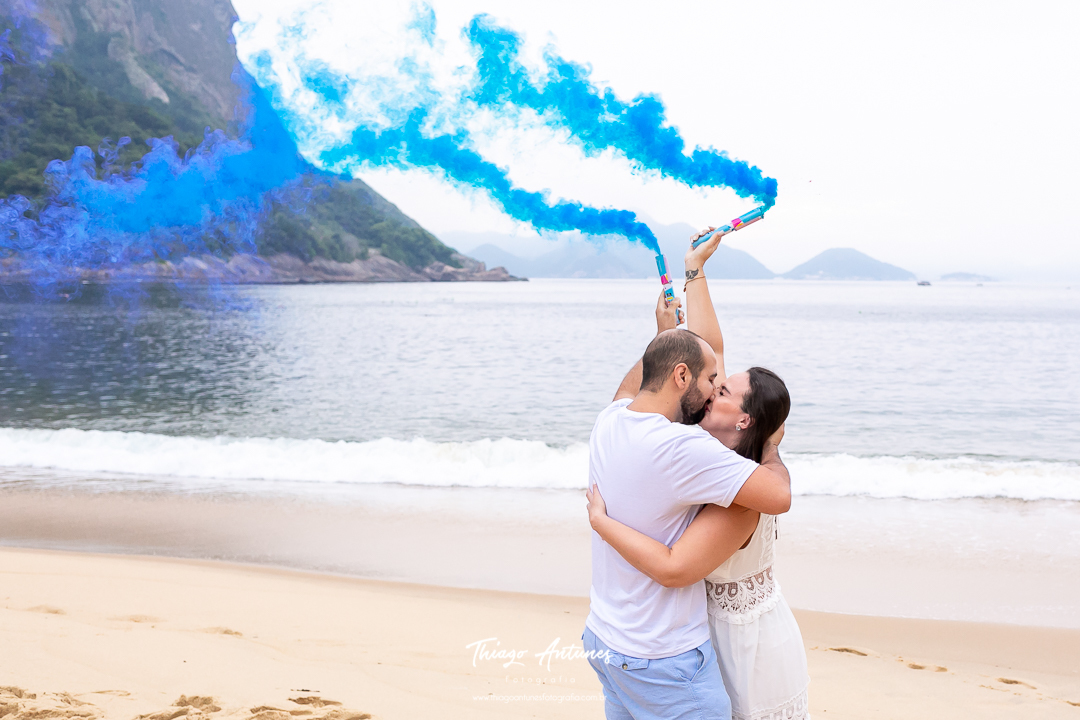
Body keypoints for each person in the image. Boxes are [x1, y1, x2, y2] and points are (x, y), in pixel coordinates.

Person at [586, 227, 809, 720]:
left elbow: (677, 566)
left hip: (743, 645)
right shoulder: (698, 443)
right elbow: (709, 347)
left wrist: (771, 447)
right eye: (713, 382)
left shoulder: (722, 471)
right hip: (678, 646)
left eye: (723, 390)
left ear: (744, 420)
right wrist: (695, 270)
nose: (715, 389)